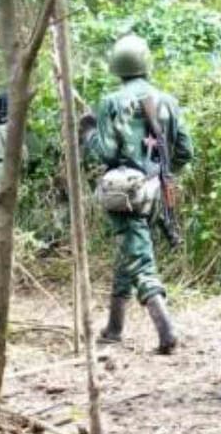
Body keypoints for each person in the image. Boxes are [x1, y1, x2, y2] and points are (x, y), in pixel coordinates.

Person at [81, 34, 194, 354]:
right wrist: (159, 175)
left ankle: (165, 328)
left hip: (127, 193)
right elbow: (185, 151)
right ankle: (114, 327)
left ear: (117, 67)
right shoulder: (168, 102)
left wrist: (88, 132)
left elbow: (104, 152)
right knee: (130, 252)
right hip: (158, 190)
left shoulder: (111, 103)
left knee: (139, 259)